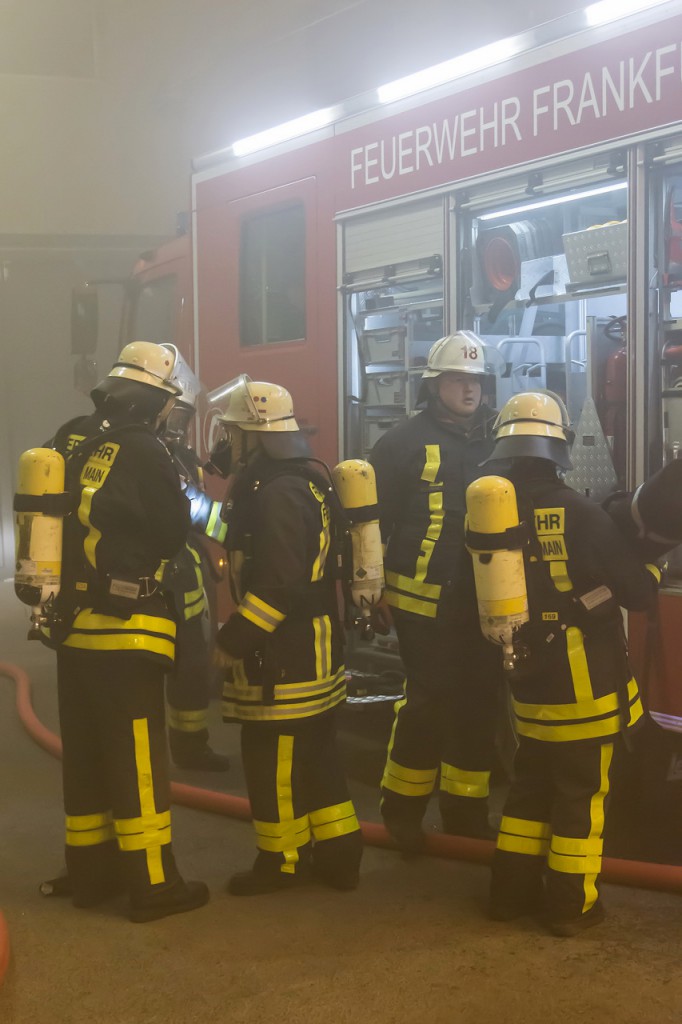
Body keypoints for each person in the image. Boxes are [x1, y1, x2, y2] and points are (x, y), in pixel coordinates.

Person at [38, 341, 209, 922]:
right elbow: (171, 532)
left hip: (70, 627)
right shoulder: (145, 449)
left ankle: (91, 876)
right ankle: (154, 884)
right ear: (157, 401)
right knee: (137, 760)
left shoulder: (70, 435)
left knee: (86, 755)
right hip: (126, 629)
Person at [480, 391, 659, 936]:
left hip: (527, 683)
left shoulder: (491, 513)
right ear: (559, 445)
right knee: (581, 798)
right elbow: (636, 595)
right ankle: (571, 905)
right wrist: (652, 566)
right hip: (585, 689)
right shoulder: (581, 513)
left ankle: (508, 896)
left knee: (528, 790)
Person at [208, 375, 363, 895]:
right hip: (311, 644)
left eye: (234, 433)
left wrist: (232, 641)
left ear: (256, 435)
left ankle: (280, 861)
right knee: (316, 755)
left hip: (285, 651)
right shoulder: (298, 480)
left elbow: (277, 586)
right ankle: (340, 854)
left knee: (271, 758)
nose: (229, 442)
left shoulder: (277, 492)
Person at [369, 331, 502, 851]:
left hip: (486, 601)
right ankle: (402, 811)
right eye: (457, 380)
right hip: (421, 602)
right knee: (428, 702)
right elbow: (369, 523)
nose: (469, 390)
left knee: (479, 702)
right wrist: (371, 587)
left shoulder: (499, 438)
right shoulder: (400, 443)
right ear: (434, 385)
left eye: (476, 381)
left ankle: (466, 812)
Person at [158, 344, 230, 772]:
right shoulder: (146, 455)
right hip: (156, 580)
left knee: (193, 665)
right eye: (176, 416)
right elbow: (196, 511)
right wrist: (244, 532)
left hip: (187, 576)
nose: (180, 427)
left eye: (185, 417)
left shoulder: (181, 456)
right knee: (157, 668)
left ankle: (190, 747)